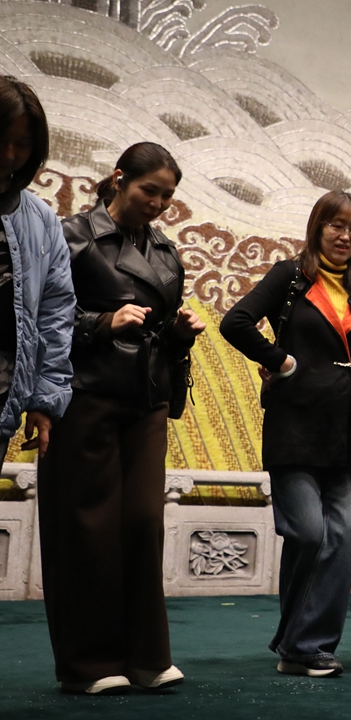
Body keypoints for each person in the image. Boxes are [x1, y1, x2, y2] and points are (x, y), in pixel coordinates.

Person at [221, 191, 351, 677]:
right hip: (294, 423)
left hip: (348, 423)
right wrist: (279, 360)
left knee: (345, 533)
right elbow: (235, 322)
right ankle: (297, 642)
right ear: (317, 227)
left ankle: (309, 647)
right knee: (308, 533)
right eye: (336, 226)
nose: (345, 236)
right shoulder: (289, 277)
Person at [39, 142, 204, 694]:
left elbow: (160, 332)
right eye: (149, 190)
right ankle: (88, 664)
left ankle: (146, 657)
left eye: (167, 196)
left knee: (141, 525)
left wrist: (180, 335)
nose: (158, 203)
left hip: (146, 400)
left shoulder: (165, 250)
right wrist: (100, 323)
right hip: (84, 397)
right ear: (117, 180)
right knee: (87, 529)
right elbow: (43, 313)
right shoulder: (70, 234)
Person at [0, 77, 73, 473]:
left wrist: (45, 400)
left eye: (23, 144)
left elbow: (55, 312)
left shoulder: (41, 220)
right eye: (1, 138)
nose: (9, 154)